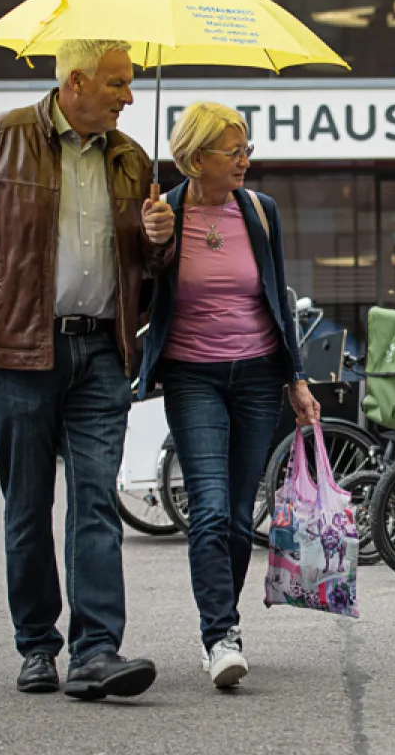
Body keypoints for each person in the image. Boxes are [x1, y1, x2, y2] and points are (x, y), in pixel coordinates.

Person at [0, 39, 176, 700]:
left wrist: (159, 241)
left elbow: (146, 272)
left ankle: (96, 649)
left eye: (130, 84)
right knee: (28, 506)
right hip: (17, 351)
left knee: (96, 502)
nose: (129, 95)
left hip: (100, 350)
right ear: (76, 83)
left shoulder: (131, 158)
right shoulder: (0, 138)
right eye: (118, 83)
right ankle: (37, 644)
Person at [137, 101, 320, 689]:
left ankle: (224, 627)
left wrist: (295, 376)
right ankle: (220, 635)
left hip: (259, 378)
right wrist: (152, 244)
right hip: (194, 377)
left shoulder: (260, 213)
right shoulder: (163, 213)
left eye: (247, 149)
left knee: (241, 518)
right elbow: (139, 295)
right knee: (210, 509)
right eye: (233, 151)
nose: (246, 159)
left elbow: (278, 299)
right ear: (194, 158)